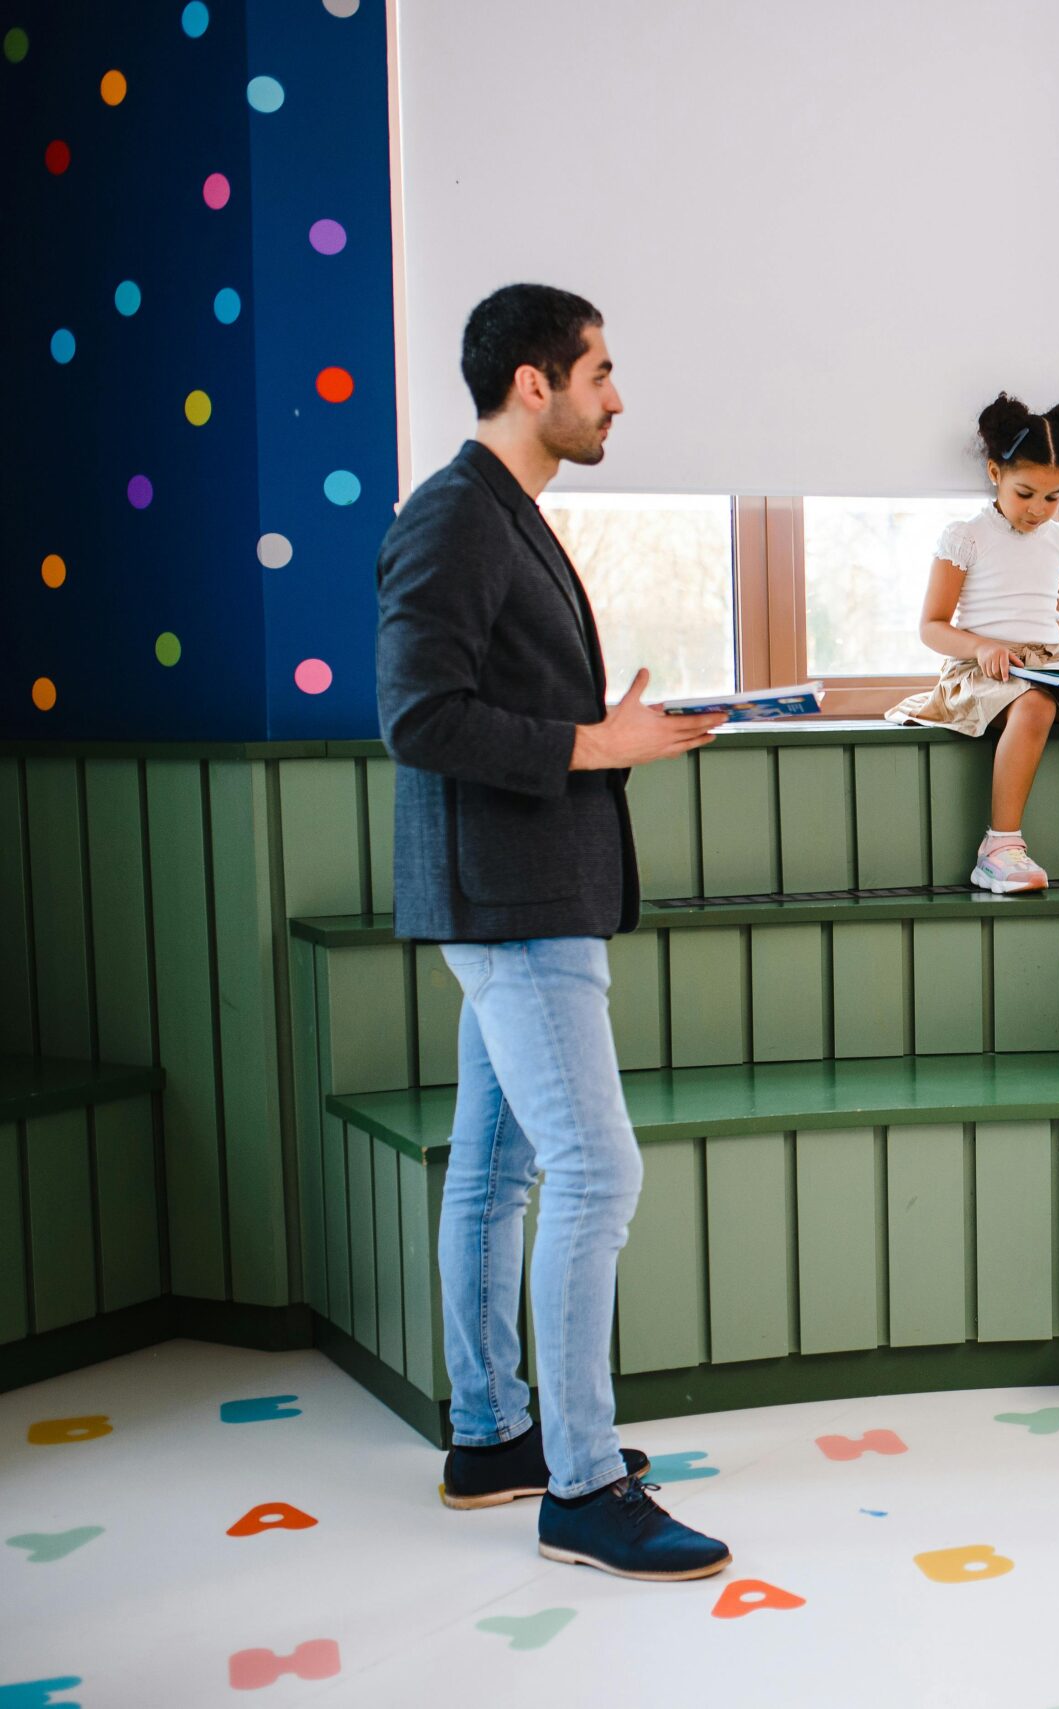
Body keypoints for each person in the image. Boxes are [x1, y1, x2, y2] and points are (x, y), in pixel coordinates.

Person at [375, 282, 731, 1581]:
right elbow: (419, 717)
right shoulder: (455, 516)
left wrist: (616, 741)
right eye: (600, 372)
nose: (617, 395)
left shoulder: (499, 516)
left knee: (499, 1170)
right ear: (535, 382)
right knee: (598, 1172)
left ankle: (493, 1438)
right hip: (514, 906)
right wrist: (601, 742)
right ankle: (581, 1483)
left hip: (524, 894)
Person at [889, 394, 1059, 894]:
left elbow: (1051, 619)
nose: (1038, 510)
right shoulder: (967, 536)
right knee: (1034, 706)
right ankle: (1000, 847)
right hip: (982, 671)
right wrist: (982, 647)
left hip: (1046, 666)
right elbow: (932, 625)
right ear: (995, 473)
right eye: (1025, 493)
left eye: (1052, 498)